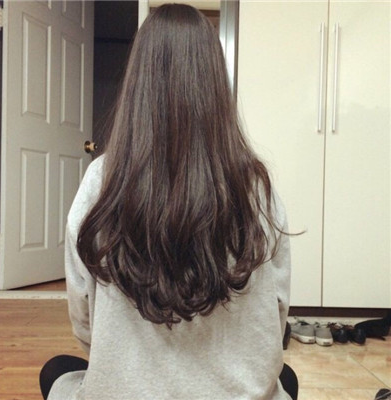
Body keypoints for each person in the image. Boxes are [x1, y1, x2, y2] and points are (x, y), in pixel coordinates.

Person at [40, 4, 298, 400]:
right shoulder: (254, 185)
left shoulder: (101, 181)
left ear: (138, 83)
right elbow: (275, 320)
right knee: (286, 380)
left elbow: (86, 322)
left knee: (56, 371)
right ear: (215, 83)